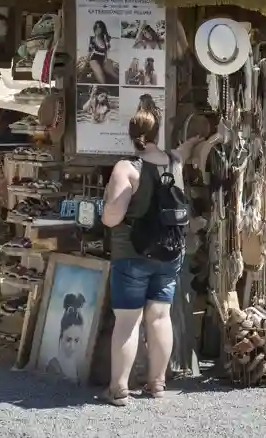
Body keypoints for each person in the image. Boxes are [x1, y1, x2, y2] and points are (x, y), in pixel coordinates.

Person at [99, 108, 202, 404]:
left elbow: (111, 218)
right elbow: (180, 151)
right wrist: (197, 140)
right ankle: (157, 384)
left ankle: (118, 389)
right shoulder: (174, 163)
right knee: (159, 317)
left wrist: (101, 208)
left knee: (128, 321)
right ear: (157, 134)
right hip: (169, 254)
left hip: (131, 253)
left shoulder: (126, 168)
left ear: (131, 135)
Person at [46, 294, 87, 383]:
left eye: (76, 340)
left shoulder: (78, 370)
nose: (72, 347)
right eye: (68, 340)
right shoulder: (54, 366)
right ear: (61, 338)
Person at [88, 20, 112, 84]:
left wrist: (106, 59)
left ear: (102, 29)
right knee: (100, 74)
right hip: (94, 58)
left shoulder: (105, 39)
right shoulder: (92, 39)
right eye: (96, 27)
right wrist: (86, 62)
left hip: (103, 58)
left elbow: (107, 51)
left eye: (99, 27)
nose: (97, 29)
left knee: (112, 73)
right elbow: (90, 51)